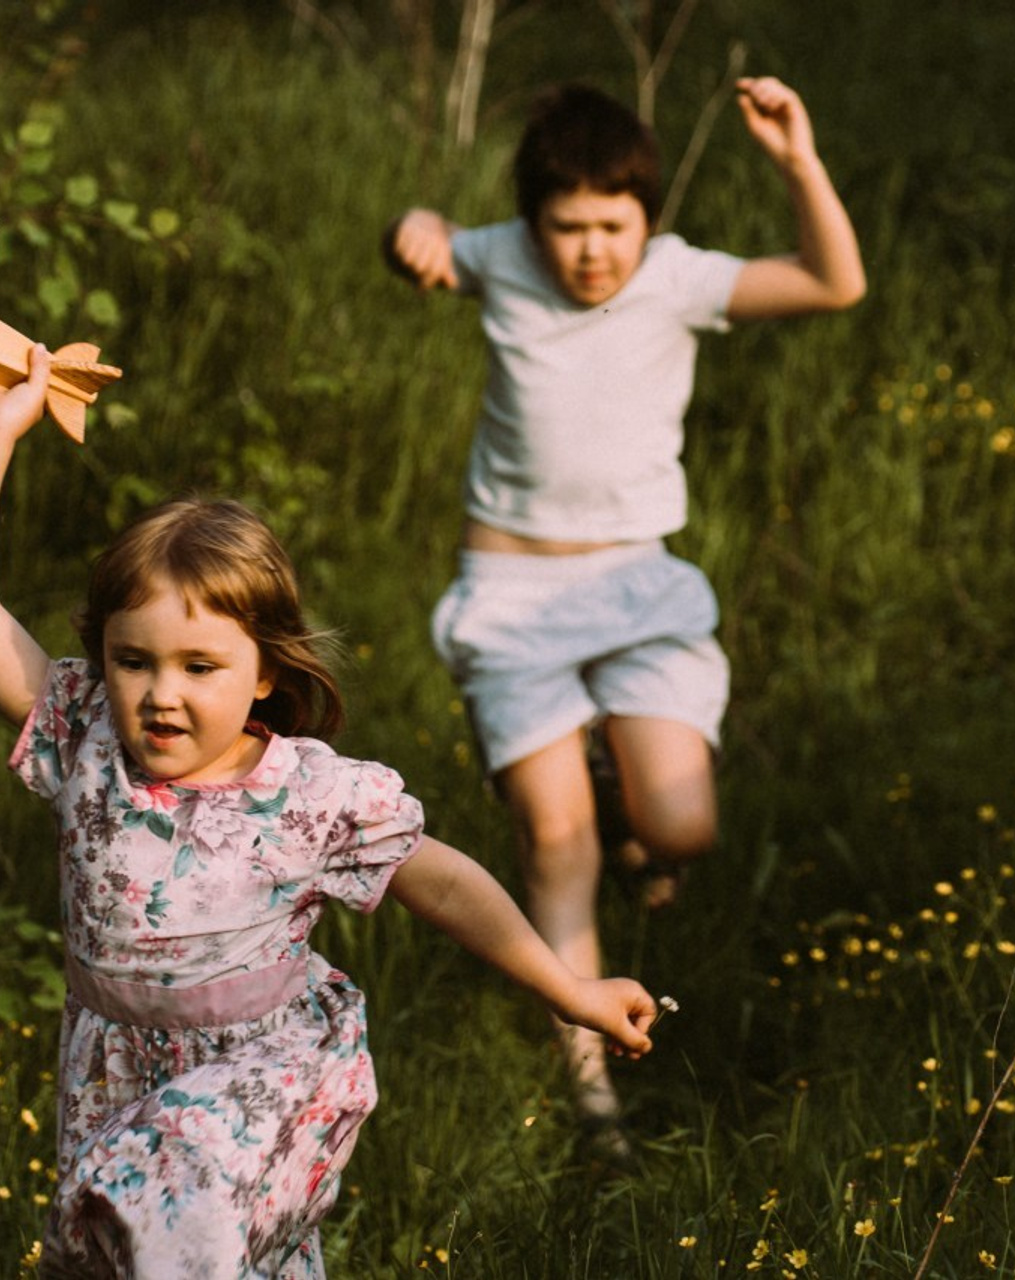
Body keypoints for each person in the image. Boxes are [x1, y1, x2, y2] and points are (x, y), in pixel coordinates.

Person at [0, 347, 656, 1279]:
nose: (159, 695)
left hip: (256, 1080)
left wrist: (567, 989)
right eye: (132, 659)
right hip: (111, 1070)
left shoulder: (309, 796)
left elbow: (447, 882)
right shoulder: (84, 733)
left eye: (200, 666)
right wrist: (8, 429)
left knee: (178, 1209)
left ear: (264, 670)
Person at [383, 76, 864, 1150]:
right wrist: (411, 225)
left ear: (648, 214)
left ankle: (625, 805)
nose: (591, 251)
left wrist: (795, 158)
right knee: (555, 845)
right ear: (530, 221)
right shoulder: (501, 256)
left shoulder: (678, 278)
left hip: (637, 589)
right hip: (511, 596)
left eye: (614, 225)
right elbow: (421, 240)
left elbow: (834, 283)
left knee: (681, 824)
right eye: (568, 226)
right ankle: (591, 1086)